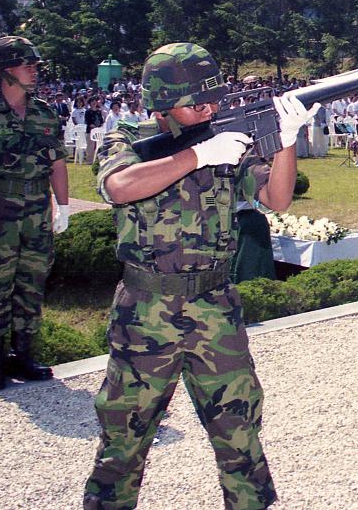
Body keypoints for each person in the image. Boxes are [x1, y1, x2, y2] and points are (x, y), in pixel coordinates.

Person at [83, 43, 312, 510]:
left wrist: (286, 140)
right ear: (163, 104)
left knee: (239, 431)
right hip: (145, 312)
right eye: (198, 104)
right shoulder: (125, 138)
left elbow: (278, 197)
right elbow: (119, 186)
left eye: (214, 100)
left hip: (214, 307)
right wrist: (200, 155)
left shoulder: (225, 136)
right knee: (124, 438)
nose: (211, 110)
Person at [0, 36, 70, 392]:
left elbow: (58, 163)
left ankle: (23, 354)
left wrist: (63, 206)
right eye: (28, 66)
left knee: (32, 283)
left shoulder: (45, 114)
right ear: (6, 71)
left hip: (37, 209)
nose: (35, 72)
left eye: (35, 66)